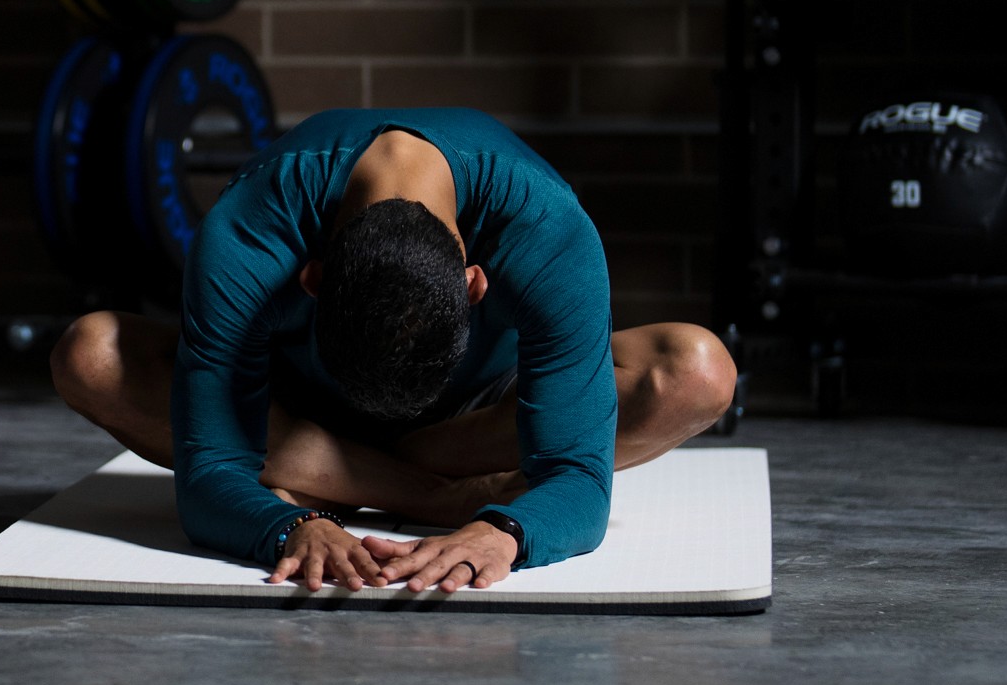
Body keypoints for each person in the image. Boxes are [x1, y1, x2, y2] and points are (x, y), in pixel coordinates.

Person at [50, 109, 734, 596]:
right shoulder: (250, 229)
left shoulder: (546, 226)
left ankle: (350, 472)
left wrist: (505, 533)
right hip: (302, 409)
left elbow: (579, 476)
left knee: (700, 371)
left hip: (454, 420)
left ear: (473, 284)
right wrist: (292, 526)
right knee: (89, 353)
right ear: (311, 278)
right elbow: (209, 477)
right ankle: (412, 487)